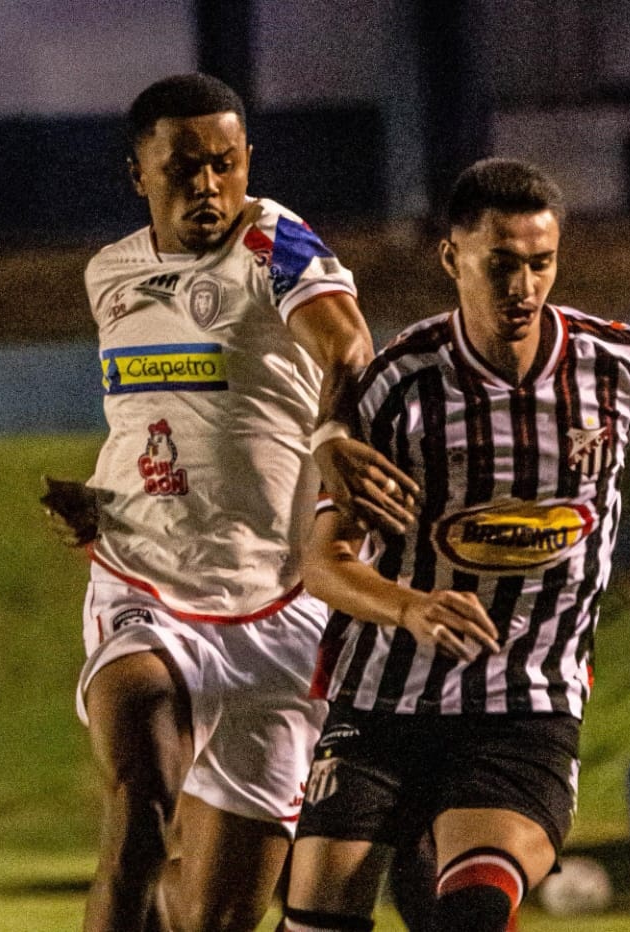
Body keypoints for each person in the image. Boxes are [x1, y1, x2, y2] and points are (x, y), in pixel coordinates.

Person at [281, 158, 630, 932]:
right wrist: (410, 608)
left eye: (540, 264)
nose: (523, 288)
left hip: (525, 701)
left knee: (471, 914)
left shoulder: (610, 364)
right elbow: (324, 562)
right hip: (384, 700)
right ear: (452, 259)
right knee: (317, 922)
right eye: (500, 265)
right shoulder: (401, 385)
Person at [54, 74, 419, 932]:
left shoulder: (271, 239)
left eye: (226, 164)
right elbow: (163, 422)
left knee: (213, 918)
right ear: (137, 173)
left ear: (248, 161)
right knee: (138, 806)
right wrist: (106, 500)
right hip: (145, 589)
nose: (209, 186)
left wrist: (330, 437)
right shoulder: (109, 276)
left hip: (283, 615)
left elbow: (348, 343)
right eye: (183, 168)